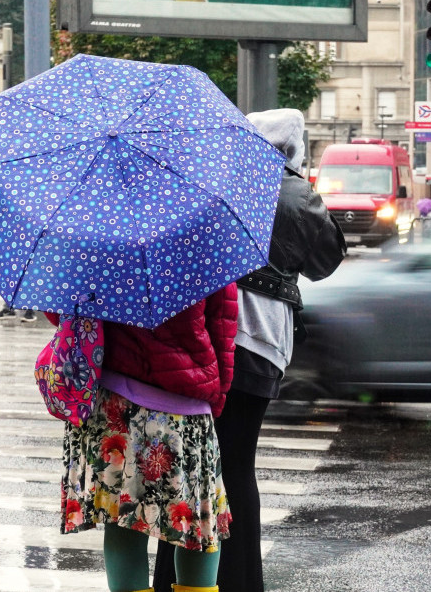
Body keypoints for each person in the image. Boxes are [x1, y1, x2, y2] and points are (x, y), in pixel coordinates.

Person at [153, 108, 345, 592]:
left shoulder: (210, 181)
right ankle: (239, 582)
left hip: (200, 342)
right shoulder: (298, 195)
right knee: (237, 464)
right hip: (260, 346)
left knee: (188, 463)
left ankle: (170, 580)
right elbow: (326, 262)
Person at [55, 283, 239, 592]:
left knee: (124, 521)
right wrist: (215, 398)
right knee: (198, 527)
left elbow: (62, 311)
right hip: (186, 402)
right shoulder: (206, 241)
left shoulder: (102, 238)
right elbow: (223, 328)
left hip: (117, 398)